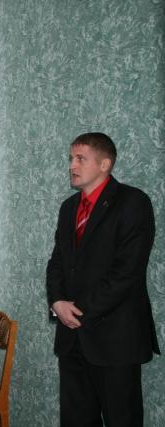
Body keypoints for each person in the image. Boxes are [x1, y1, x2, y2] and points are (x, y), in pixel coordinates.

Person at [46, 132, 159, 426]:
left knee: (122, 419)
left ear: (105, 164)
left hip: (115, 340)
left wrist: (77, 311)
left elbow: (127, 273)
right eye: (71, 158)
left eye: (80, 158)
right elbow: (57, 263)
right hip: (72, 340)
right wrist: (57, 302)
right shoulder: (68, 208)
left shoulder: (133, 202)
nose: (72, 165)